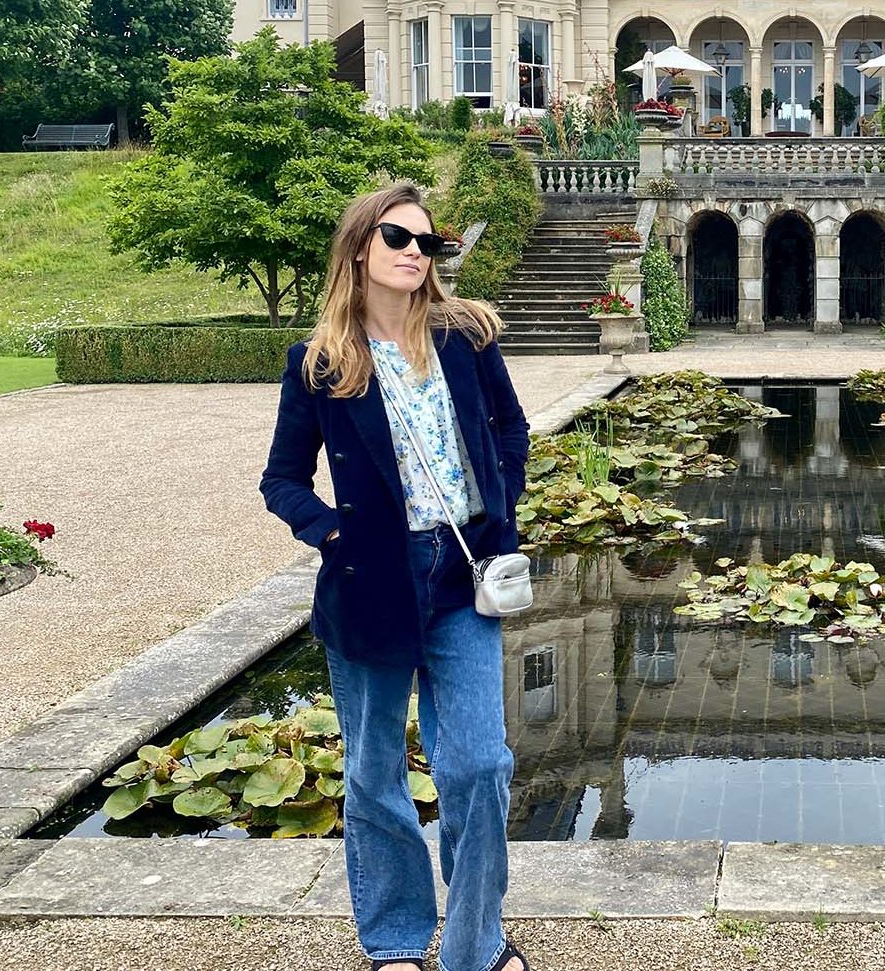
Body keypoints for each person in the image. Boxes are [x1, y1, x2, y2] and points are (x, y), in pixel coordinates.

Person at [259, 183, 531, 971]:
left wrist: (501, 496)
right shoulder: (319, 364)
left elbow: (510, 427)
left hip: (464, 576)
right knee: (375, 772)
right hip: (370, 581)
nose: (416, 251)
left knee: (479, 763)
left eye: (427, 241)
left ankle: (478, 945)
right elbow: (281, 478)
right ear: (359, 248)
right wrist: (334, 531)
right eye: (398, 237)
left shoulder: (467, 337)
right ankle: (395, 940)